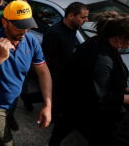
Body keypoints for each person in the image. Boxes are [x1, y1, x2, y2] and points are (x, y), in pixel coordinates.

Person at [0, 0, 52, 146]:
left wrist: (48, 105)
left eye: (27, 26)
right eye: (19, 26)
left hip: (12, 100)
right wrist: (0, 57)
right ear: (4, 22)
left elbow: (43, 72)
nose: (24, 31)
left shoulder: (31, 41)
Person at [49, 12, 129, 146]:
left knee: (64, 126)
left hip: (77, 102)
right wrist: (127, 98)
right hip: (89, 109)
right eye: (128, 40)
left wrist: (125, 88)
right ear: (118, 38)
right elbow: (101, 95)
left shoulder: (100, 42)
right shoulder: (103, 58)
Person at [42, 2, 89, 118]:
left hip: (66, 71)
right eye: (83, 17)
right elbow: (46, 57)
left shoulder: (73, 28)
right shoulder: (54, 33)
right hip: (55, 73)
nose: (86, 20)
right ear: (71, 16)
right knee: (55, 96)